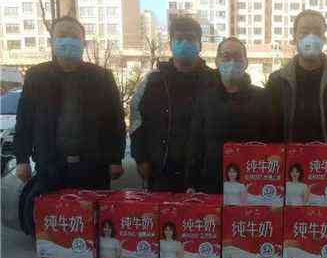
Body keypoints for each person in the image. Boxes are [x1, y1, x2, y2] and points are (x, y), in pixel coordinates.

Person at [15, 16, 125, 190]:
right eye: (62, 35)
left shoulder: (102, 77)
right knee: (50, 208)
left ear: (83, 43)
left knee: (92, 208)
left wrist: (115, 159)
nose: (68, 40)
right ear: (52, 41)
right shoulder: (36, 76)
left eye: (74, 36)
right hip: (50, 166)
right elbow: (24, 119)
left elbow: (115, 121)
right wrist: (22, 159)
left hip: (94, 166)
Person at [131, 16, 217, 192]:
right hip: (161, 172)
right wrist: (141, 158)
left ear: (200, 45)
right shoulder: (153, 81)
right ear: (171, 44)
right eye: (179, 39)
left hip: (205, 173)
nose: (185, 43)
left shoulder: (215, 81)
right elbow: (136, 119)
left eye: (190, 38)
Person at [188, 37, 267, 194]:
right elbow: (195, 143)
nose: (232, 62)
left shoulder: (262, 98)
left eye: (237, 57)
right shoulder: (205, 99)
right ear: (217, 62)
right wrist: (191, 182)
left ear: (246, 62)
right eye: (226, 57)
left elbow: (270, 141)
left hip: (250, 184)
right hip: (211, 184)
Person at [264, 10, 327, 143]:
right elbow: (269, 129)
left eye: (317, 32)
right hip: (289, 155)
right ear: (294, 38)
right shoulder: (277, 81)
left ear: (324, 38)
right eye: (304, 32)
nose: (311, 37)